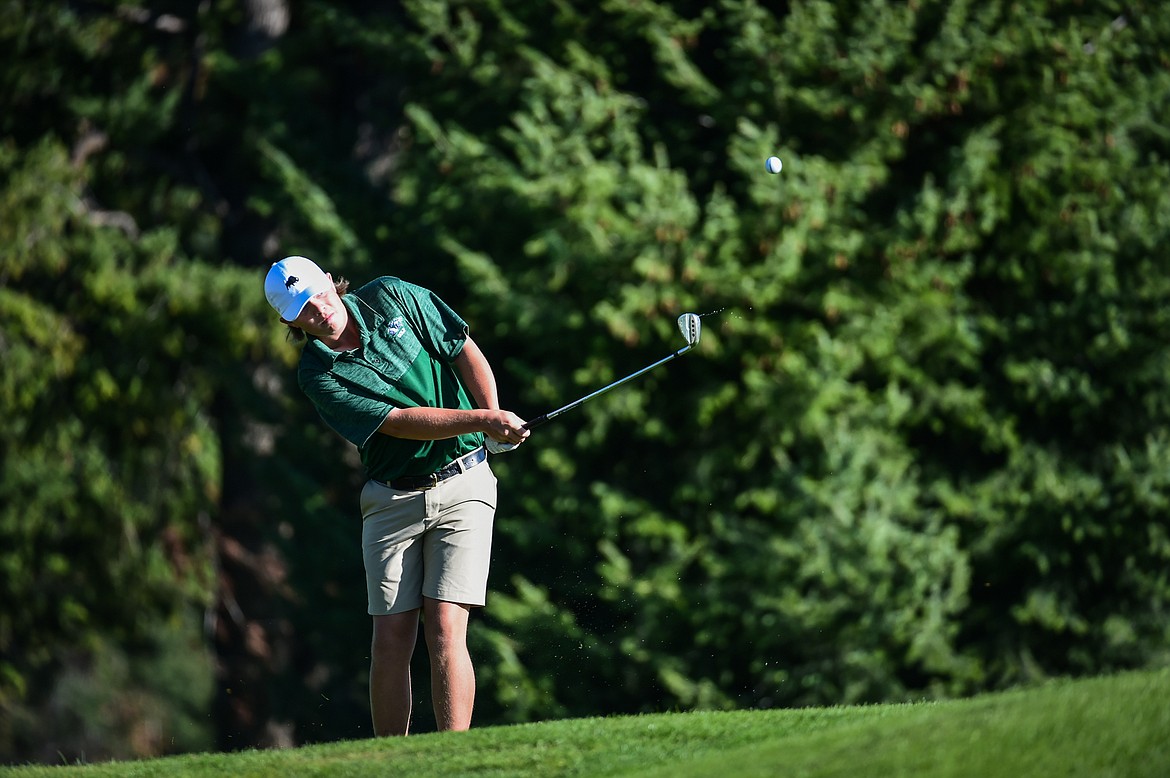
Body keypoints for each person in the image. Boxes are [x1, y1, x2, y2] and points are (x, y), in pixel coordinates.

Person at [263, 255, 530, 736]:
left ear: (330, 280)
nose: (318, 311)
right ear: (289, 320)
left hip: (464, 482)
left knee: (446, 625)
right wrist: (485, 421)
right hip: (392, 502)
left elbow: (461, 347)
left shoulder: (393, 295)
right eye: (302, 309)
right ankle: (393, 760)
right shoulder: (317, 374)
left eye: (318, 295)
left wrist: (493, 413)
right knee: (391, 639)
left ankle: (453, 758)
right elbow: (398, 423)